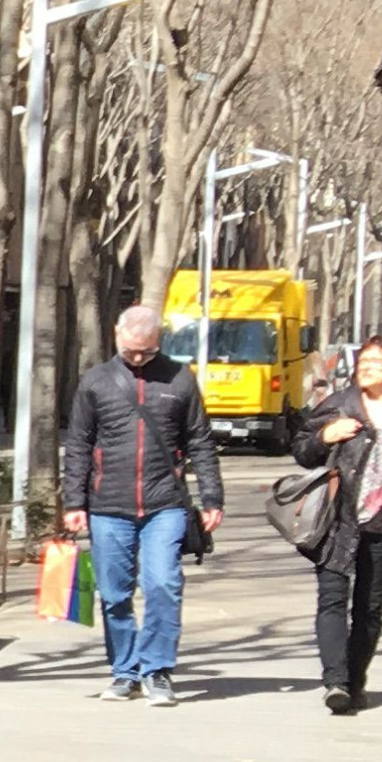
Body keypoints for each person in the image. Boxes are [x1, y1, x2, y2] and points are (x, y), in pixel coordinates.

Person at [59, 299, 224, 709]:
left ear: (159, 342)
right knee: (115, 594)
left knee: (163, 584)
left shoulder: (180, 380)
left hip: (164, 503)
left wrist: (212, 497)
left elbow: (200, 441)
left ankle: (158, 671)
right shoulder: (95, 381)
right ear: (117, 335)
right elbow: (79, 443)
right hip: (107, 505)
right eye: (131, 349)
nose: (137, 358)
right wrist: (73, 501)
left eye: (146, 351)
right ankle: (124, 672)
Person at [295, 336, 382, 716]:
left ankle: (355, 681)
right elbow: (302, 451)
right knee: (332, 599)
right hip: (339, 520)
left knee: (369, 608)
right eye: (364, 361)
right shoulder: (340, 405)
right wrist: (325, 436)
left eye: (377, 362)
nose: (366, 367)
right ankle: (334, 682)